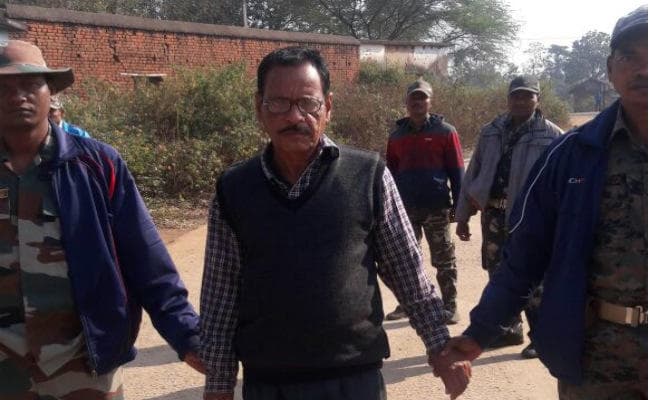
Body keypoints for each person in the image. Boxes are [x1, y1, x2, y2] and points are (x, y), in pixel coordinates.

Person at [200, 46, 470, 400]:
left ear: (327, 107)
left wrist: (440, 347)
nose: (294, 116)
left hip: (355, 379)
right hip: (268, 382)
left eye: (308, 103)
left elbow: (408, 272)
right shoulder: (234, 189)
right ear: (259, 108)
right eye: (278, 103)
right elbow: (220, 298)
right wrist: (218, 385)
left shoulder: (368, 176)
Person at [441, 5, 647, 399]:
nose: (644, 68)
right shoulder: (572, 155)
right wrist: (480, 332)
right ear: (610, 69)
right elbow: (525, 256)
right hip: (598, 360)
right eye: (630, 57)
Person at [0, 40, 204, 398]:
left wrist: (187, 336)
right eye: (4, 88)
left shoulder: (96, 165)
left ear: (51, 93)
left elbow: (147, 259)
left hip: (83, 364)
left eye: (31, 85)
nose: (18, 97)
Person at [454, 75, 563, 358]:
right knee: (497, 272)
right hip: (493, 214)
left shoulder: (552, 136)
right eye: (516, 95)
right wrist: (463, 215)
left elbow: (563, 183)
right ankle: (509, 329)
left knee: (533, 276)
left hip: (530, 218)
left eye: (528, 96)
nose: (521, 101)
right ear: (508, 98)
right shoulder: (491, 131)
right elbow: (474, 173)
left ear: (538, 99)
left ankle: (540, 336)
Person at [384, 79, 465, 324]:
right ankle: (407, 304)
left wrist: (460, 209)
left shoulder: (445, 132)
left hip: (436, 206)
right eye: (413, 98)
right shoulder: (396, 136)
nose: (417, 102)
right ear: (406, 102)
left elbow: (457, 172)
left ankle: (450, 306)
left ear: (430, 101)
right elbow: (390, 175)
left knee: (443, 259)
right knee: (406, 260)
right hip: (405, 209)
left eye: (422, 97)